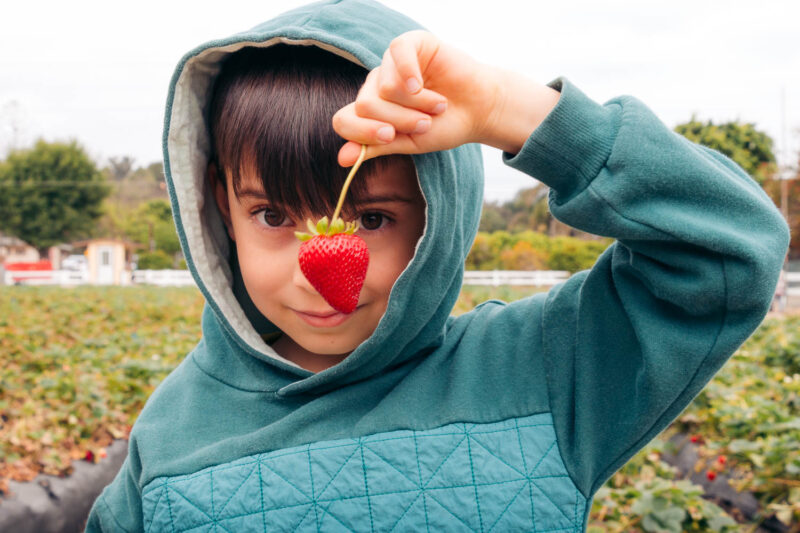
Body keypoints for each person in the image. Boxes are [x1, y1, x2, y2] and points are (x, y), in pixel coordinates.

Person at [85, 1, 790, 531]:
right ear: (220, 209)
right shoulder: (171, 438)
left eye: (372, 219)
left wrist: (512, 110)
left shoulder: (543, 371)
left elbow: (727, 246)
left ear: (439, 209)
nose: (318, 267)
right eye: (272, 216)